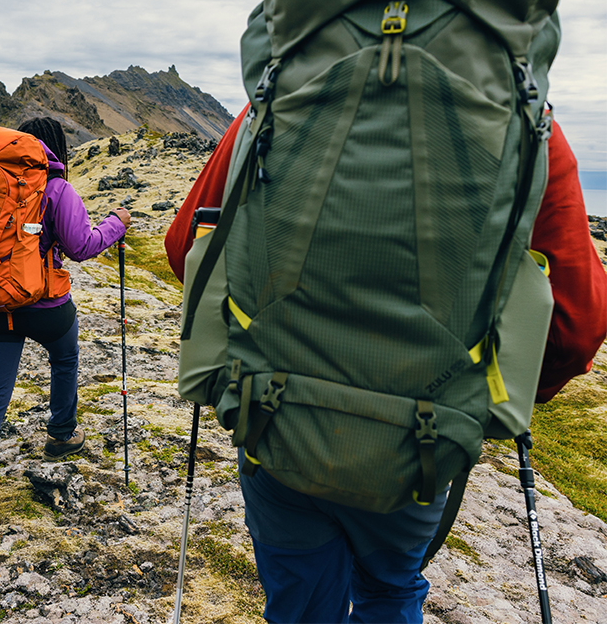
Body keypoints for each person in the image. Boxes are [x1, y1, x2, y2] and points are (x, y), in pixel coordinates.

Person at [165, 109, 607, 623]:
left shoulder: (278, 98)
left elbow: (185, 248)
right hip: (421, 436)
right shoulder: (521, 120)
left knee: (299, 602)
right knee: (390, 591)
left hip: (275, 418)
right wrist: (490, 395)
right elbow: (577, 329)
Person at [0, 117, 130, 551]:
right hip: (45, 308)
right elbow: (81, 246)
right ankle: (61, 434)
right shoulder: (56, 188)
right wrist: (116, 223)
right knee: (65, 358)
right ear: (55, 148)